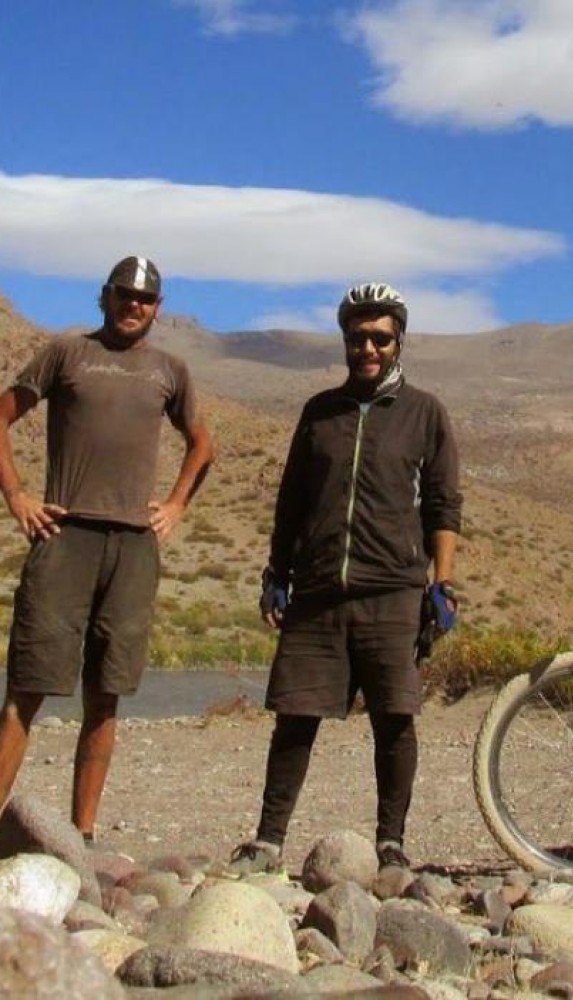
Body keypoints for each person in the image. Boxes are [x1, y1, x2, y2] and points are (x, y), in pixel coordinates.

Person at [230, 281, 462, 874]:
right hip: (317, 591)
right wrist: (275, 574)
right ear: (345, 340)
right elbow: (291, 503)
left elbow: (443, 505)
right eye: (357, 337)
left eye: (380, 337)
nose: (368, 347)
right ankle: (268, 840)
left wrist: (442, 582)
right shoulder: (320, 412)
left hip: (393, 589)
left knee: (394, 720)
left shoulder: (425, 412)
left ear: (399, 341)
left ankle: (391, 843)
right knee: (294, 718)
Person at [0, 255, 214, 843]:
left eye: (145, 298)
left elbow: (202, 444)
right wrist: (18, 495)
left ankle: (83, 837)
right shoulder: (67, 354)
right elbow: (3, 414)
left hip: (132, 549)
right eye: (124, 294)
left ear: (157, 307)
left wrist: (174, 505)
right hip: (64, 536)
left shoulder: (170, 370)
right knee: (27, 689)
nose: (133, 306)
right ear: (106, 295)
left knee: (106, 695)